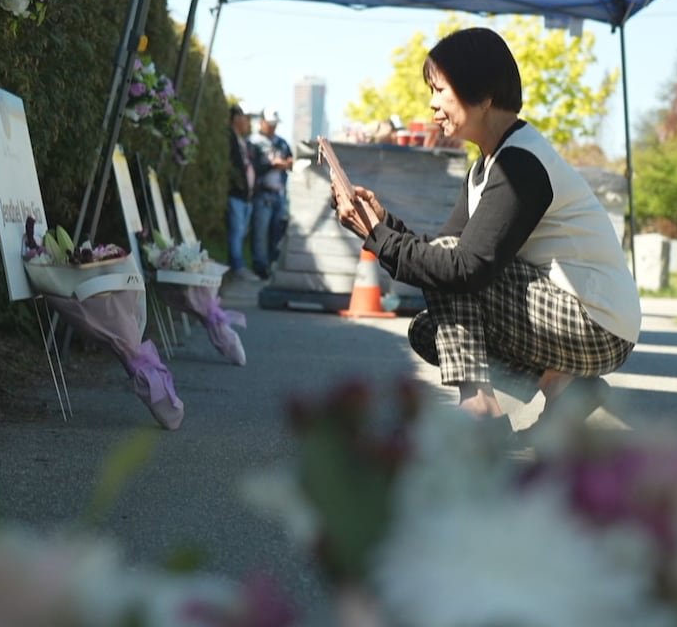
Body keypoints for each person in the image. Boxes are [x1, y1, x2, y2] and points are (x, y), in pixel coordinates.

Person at [332, 27, 640, 434]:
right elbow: (446, 255)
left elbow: (464, 267)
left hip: (595, 323)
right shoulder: (488, 164)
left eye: (442, 90)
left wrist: (379, 239)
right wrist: (381, 224)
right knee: (428, 330)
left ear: (485, 95)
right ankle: (566, 390)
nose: (432, 103)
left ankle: (480, 412)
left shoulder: (520, 165)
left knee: (452, 267)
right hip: (576, 318)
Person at [248, 110, 294, 280]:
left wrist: (287, 164)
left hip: (280, 193)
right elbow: (253, 168)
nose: (272, 127)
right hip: (262, 193)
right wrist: (272, 165)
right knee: (260, 231)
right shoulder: (253, 142)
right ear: (262, 122)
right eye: (270, 124)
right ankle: (260, 267)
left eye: (275, 124)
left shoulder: (282, 143)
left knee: (278, 231)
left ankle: (273, 264)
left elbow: (291, 161)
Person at [225, 103, 258, 281]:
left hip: (247, 196)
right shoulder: (229, 138)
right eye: (245, 118)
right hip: (236, 194)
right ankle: (237, 267)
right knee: (236, 231)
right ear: (236, 118)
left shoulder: (243, 141)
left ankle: (237, 265)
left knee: (241, 231)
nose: (247, 122)